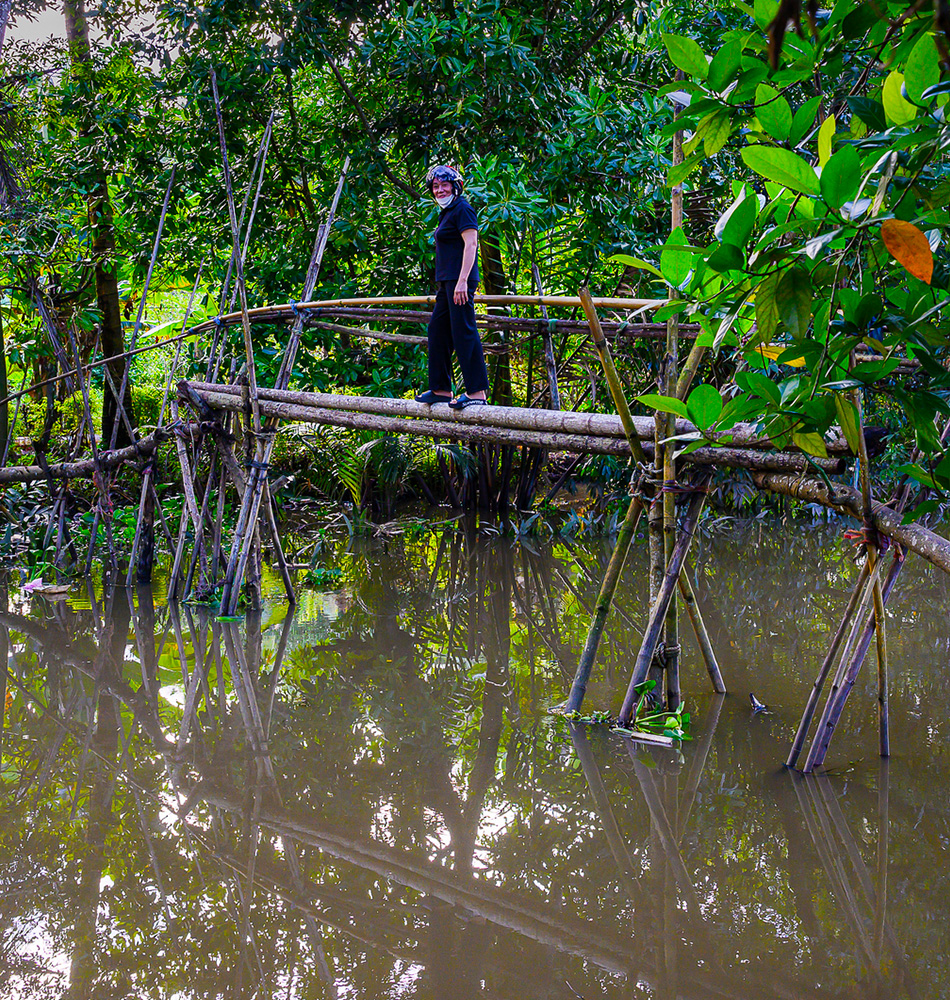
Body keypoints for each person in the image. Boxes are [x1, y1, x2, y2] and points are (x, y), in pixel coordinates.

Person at [413, 164, 489, 410]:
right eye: (435, 186)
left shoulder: (463, 209)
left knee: (463, 332)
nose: (440, 190)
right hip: (447, 282)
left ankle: (477, 392)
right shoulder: (446, 212)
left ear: (455, 186)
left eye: (444, 185)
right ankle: (441, 389)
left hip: (460, 280)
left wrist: (463, 281)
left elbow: (471, 244)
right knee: (437, 329)